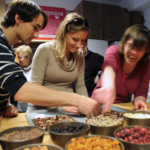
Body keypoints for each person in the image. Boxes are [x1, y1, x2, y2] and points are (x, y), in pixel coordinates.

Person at [0, 0, 100, 118]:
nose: (37, 35)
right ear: (18, 19)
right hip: (44, 111)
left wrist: (4, 106)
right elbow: (21, 91)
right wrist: (75, 100)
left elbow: (6, 84)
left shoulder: (8, 49)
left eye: (82, 40)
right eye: (35, 27)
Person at [27, 12, 98, 114]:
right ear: (63, 34)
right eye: (75, 39)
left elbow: (80, 86)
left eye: (83, 40)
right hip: (42, 110)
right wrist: (59, 104)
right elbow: (35, 91)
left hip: (68, 109)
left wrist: (85, 104)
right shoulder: (44, 50)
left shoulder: (79, 55)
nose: (79, 45)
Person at [92, 24, 150, 113]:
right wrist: (108, 86)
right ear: (124, 43)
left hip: (124, 108)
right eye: (130, 45)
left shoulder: (146, 63)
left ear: (145, 51)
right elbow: (109, 68)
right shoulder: (114, 51)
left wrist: (139, 100)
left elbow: (141, 91)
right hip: (100, 106)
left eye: (140, 49)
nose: (134, 52)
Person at [15, 45, 33, 112]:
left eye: (20, 58)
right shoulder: (18, 70)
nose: (18, 60)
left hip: (33, 108)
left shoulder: (36, 70)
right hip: (21, 108)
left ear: (28, 57)